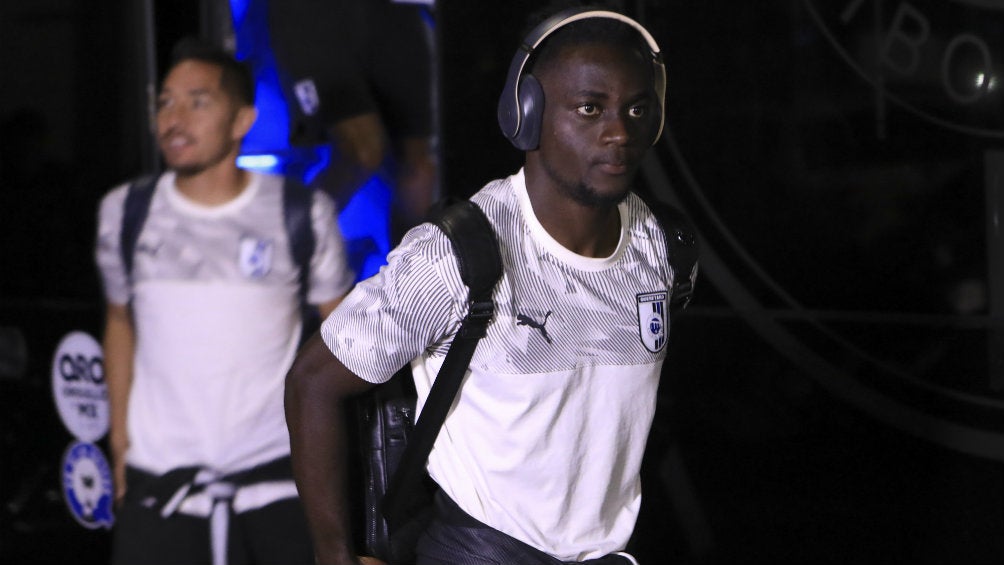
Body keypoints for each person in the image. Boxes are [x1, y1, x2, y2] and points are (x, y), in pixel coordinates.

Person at [285, 6, 695, 565]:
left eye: (637, 109)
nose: (619, 131)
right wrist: (333, 555)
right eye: (590, 108)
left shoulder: (663, 248)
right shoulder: (456, 255)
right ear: (527, 115)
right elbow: (313, 381)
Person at [94, 38, 355, 565]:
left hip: (279, 492)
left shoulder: (299, 212)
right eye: (165, 101)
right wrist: (119, 447)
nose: (174, 118)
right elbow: (120, 321)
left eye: (198, 100)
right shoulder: (126, 211)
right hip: (160, 494)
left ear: (241, 121)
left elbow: (346, 345)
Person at [268, 0, 439, 240]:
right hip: (312, 14)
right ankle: (285, 249)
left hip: (398, 14)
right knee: (361, 153)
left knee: (420, 170)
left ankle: (414, 271)